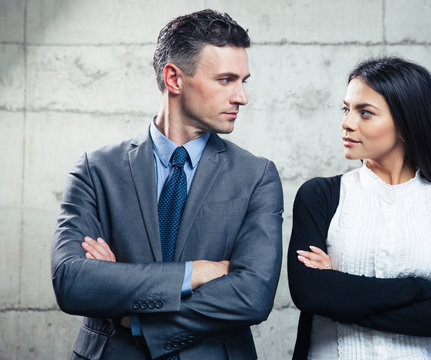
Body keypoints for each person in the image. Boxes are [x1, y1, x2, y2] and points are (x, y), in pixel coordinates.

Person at [51, 9, 283, 360]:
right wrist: (195, 273)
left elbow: (252, 295)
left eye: (243, 81)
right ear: (174, 78)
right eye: (225, 80)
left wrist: (131, 308)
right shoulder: (96, 170)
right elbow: (72, 282)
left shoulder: (257, 176)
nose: (241, 97)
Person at [287, 57, 431, 360]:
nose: (347, 123)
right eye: (346, 109)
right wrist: (421, 290)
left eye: (365, 113)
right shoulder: (320, 196)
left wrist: (340, 292)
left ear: (406, 123)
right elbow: (309, 293)